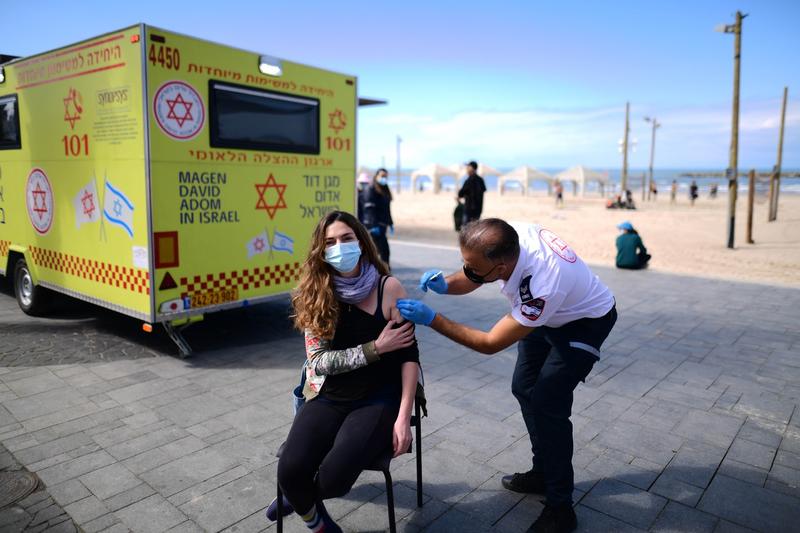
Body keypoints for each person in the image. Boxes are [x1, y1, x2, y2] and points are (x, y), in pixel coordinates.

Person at [396, 219, 617, 533]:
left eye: (470, 264)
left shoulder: (543, 284)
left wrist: (433, 319)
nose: (465, 268)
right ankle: (542, 471)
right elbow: (477, 274)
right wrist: (446, 284)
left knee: (546, 402)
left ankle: (560, 508)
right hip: (546, 315)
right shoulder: (510, 237)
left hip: (585, 321)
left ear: (501, 265)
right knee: (523, 387)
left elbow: (490, 343)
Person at [272, 211, 420, 533]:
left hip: (378, 400)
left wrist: (403, 416)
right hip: (330, 396)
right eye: (330, 242)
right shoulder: (315, 294)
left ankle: (298, 499)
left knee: (335, 479)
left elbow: (410, 356)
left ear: (361, 242)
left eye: (346, 238)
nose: (339, 247)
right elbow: (319, 362)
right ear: (321, 251)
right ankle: (318, 522)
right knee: (289, 469)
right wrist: (376, 348)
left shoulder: (388, 288)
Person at [360, 168, 394, 267]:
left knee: (383, 251)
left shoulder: (385, 189)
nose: (384, 178)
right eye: (382, 176)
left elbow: (387, 208)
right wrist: (373, 225)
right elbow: (369, 209)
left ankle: (384, 272)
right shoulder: (370, 189)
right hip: (373, 226)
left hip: (382, 226)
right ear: (376, 176)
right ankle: (382, 273)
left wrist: (391, 222)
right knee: (377, 251)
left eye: (386, 176)